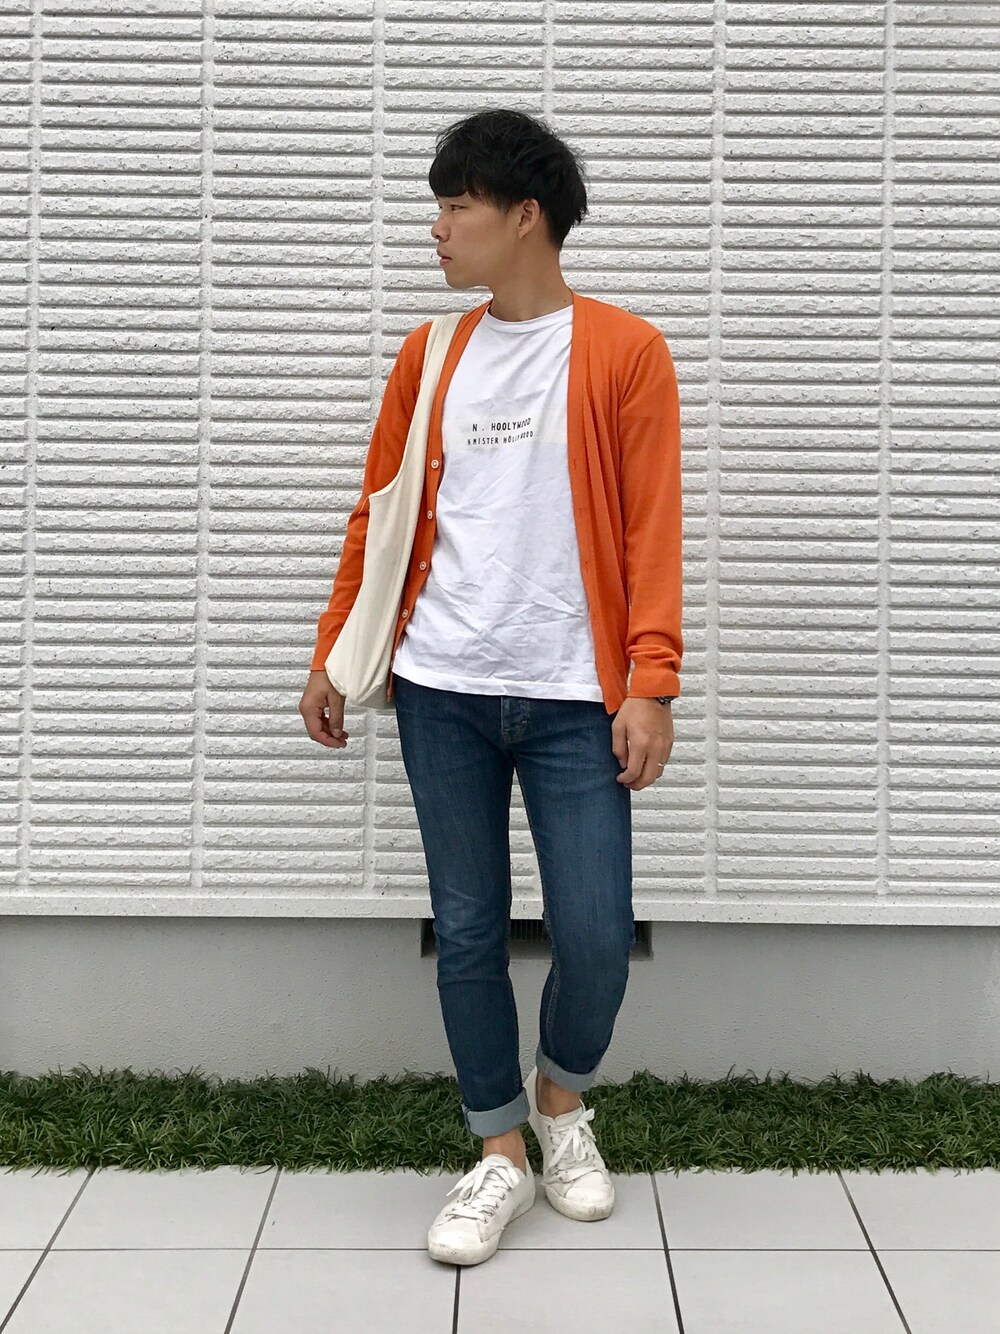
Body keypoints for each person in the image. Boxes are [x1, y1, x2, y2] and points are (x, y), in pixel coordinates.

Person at [298, 107, 682, 1268]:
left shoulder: (624, 350)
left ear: (524, 216)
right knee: (465, 925)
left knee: (595, 929)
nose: (437, 226)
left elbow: (652, 528)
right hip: (442, 684)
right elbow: (380, 513)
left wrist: (651, 679)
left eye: (455, 205)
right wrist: (332, 650)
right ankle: (499, 1146)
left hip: (573, 693)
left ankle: (561, 1097)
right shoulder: (430, 353)